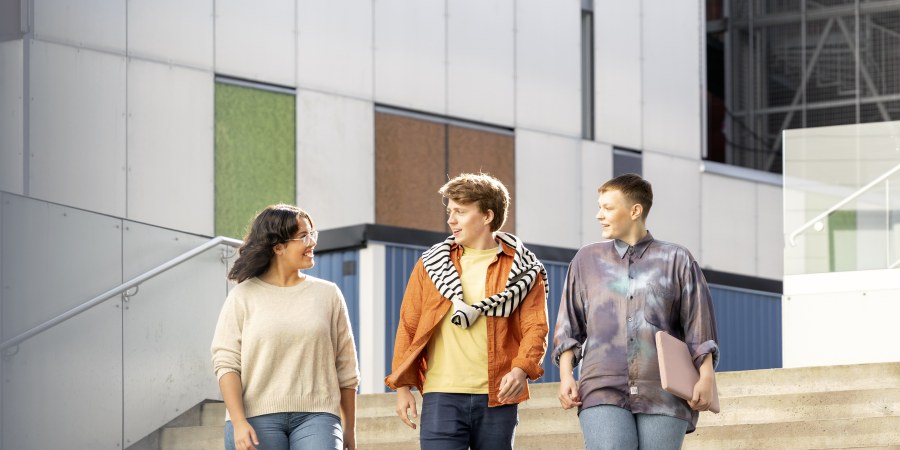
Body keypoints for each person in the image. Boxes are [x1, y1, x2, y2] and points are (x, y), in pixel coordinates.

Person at [553, 173, 719, 450]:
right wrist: (566, 375)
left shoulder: (677, 259)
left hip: (664, 390)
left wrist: (706, 377)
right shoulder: (586, 260)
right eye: (599, 207)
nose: (599, 215)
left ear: (635, 210)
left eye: (607, 208)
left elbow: (698, 325)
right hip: (601, 385)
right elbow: (569, 324)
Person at [385, 173, 550, 450]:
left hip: (497, 394)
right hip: (442, 394)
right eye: (450, 211)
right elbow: (409, 324)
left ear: (487, 216)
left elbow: (536, 327)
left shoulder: (524, 269)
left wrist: (521, 369)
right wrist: (402, 388)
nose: (451, 220)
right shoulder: (431, 264)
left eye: (460, 212)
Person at [211, 204, 360, 450]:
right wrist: (238, 422)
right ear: (278, 247)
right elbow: (226, 363)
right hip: (255, 416)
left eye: (313, 234)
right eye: (303, 236)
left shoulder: (328, 294)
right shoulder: (242, 296)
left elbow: (347, 369)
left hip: (318, 415)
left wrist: (349, 431)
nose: (312, 242)